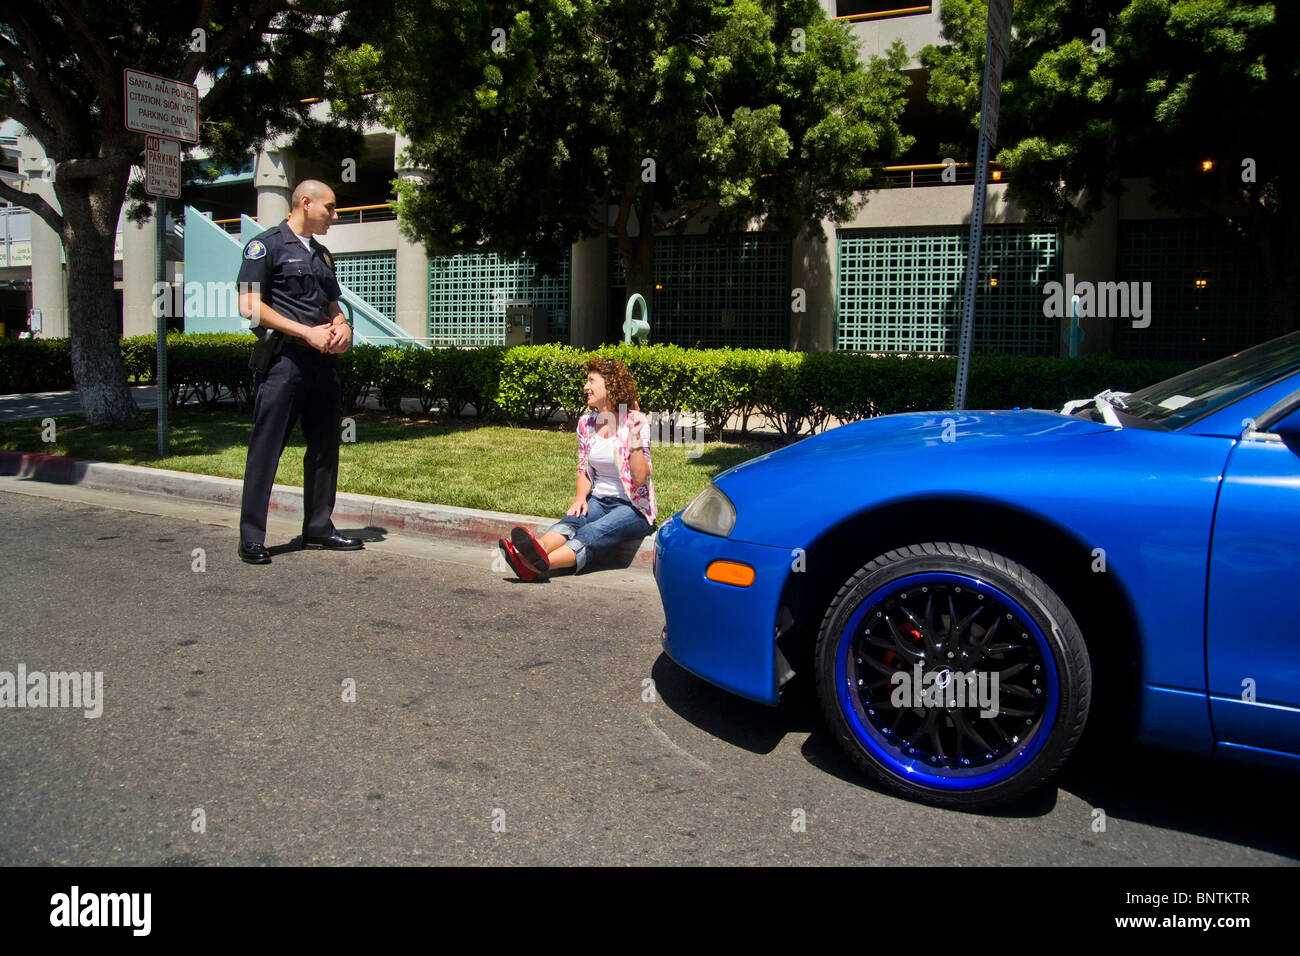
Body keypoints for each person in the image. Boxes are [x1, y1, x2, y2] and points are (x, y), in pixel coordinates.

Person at [235, 179, 362, 565]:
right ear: (306, 203)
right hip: (284, 362)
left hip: (323, 365)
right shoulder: (267, 245)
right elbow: (248, 306)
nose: (335, 217)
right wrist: (304, 331)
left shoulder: (322, 255)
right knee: (266, 448)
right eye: (331, 208)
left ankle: (319, 528)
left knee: (325, 446)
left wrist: (344, 327)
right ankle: (252, 537)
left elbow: (333, 306)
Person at [499, 358, 657, 580]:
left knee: (593, 532)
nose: (585, 387)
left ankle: (537, 565)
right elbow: (583, 467)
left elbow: (641, 480)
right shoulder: (586, 423)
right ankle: (533, 549)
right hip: (599, 500)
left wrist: (634, 436)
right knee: (573, 520)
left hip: (633, 508)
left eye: (591, 381)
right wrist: (580, 497)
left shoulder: (634, 420)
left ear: (610, 385)